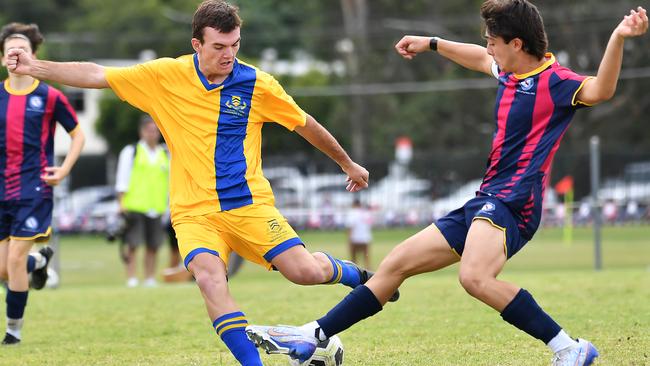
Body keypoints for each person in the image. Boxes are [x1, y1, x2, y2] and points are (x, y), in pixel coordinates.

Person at [245, 2, 648, 365]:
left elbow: (602, 89)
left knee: (474, 278)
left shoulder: (556, 82)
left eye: (493, 42)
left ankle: (569, 348)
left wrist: (617, 37)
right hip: (486, 200)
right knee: (395, 264)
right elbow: (476, 58)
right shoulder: (508, 70)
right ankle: (314, 335)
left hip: (515, 204)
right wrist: (433, 43)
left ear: (517, 43)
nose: (488, 49)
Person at [5, 1, 398, 364]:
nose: (229, 54)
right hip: (193, 212)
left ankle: (356, 275)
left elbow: (304, 124)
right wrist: (34, 68)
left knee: (304, 272)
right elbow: (95, 73)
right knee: (210, 280)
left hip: (249, 205)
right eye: (219, 46)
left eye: (235, 45)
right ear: (197, 43)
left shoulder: (257, 84)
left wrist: (347, 163)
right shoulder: (164, 76)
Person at [0, 22, 85, 345]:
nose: (16, 54)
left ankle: (13, 330)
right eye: (10, 50)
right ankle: (40, 260)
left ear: (33, 55)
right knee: (4, 270)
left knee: (15, 260)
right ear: (3, 58)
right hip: (1, 190)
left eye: (22, 49)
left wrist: (63, 170)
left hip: (34, 188)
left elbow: (78, 135)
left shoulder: (49, 96)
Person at [115, 115, 169, 288]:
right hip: (135, 205)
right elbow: (122, 178)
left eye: (155, 130)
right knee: (133, 244)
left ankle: (150, 277)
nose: (152, 134)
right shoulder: (132, 151)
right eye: (149, 130)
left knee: (154, 245)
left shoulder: (165, 153)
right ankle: (131, 277)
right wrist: (121, 203)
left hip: (157, 205)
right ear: (142, 132)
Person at [346, 198, 372, 269]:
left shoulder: (352, 213)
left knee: (353, 259)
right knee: (366, 258)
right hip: (366, 238)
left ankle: (355, 274)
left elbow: (350, 227)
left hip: (355, 238)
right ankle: (369, 274)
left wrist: (349, 239)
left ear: (354, 204)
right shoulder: (366, 213)